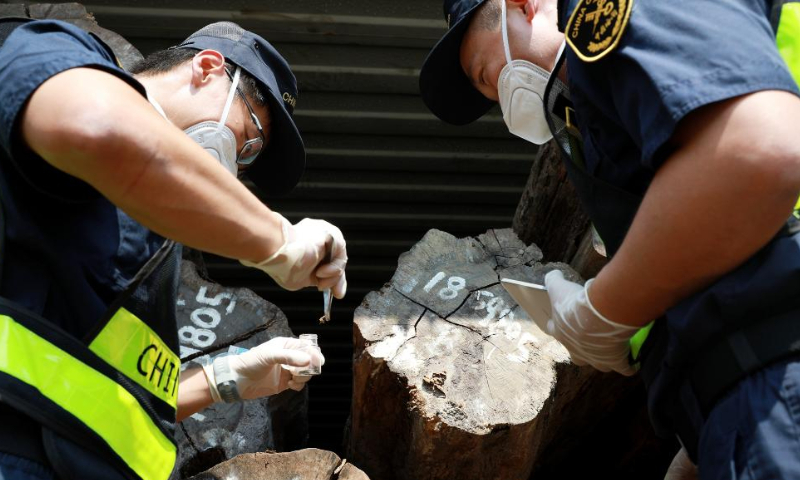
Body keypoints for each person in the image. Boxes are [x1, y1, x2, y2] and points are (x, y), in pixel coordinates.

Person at [419, 0, 800, 478]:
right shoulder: (601, 115)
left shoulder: (604, 13)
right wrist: (703, 430)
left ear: (522, 5)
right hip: (744, 404)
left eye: (484, 73)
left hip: (774, 380)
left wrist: (605, 311)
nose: (499, 97)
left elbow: (762, 148)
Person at [0, 18, 346, 480]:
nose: (235, 167)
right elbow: (93, 126)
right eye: (249, 141)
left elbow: (107, 396)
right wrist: (278, 240)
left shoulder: (159, 243)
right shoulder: (63, 55)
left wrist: (224, 380)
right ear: (207, 68)